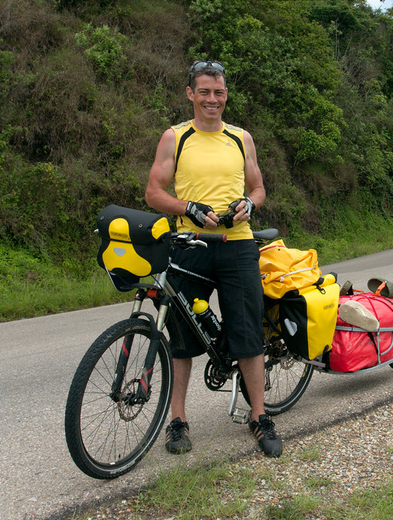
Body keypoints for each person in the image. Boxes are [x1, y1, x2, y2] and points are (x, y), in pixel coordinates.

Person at [145, 60, 281, 457]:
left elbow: (258, 188)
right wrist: (187, 205)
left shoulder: (241, 138)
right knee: (182, 340)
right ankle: (178, 421)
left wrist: (248, 205)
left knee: (247, 333)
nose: (212, 99)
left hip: (238, 244)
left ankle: (259, 415)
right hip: (190, 245)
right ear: (190, 94)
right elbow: (154, 192)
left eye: (218, 92)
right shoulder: (175, 137)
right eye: (204, 91)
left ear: (226, 95)